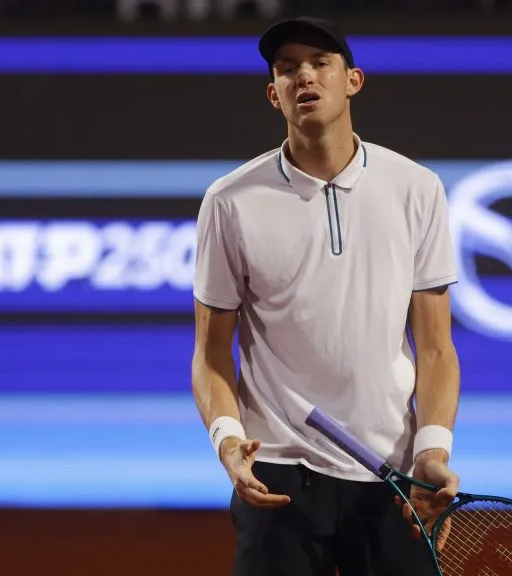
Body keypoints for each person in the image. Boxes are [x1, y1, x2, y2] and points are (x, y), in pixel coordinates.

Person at [191, 16, 462, 576]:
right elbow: (211, 354)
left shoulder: (417, 188)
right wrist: (228, 443)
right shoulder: (229, 202)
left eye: (320, 64)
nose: (304, 77)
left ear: (353, 81)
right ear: (274, 95)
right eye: (288, 69)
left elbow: (435, 347)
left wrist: (432, 450)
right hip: (279, 473)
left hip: (391, 476)